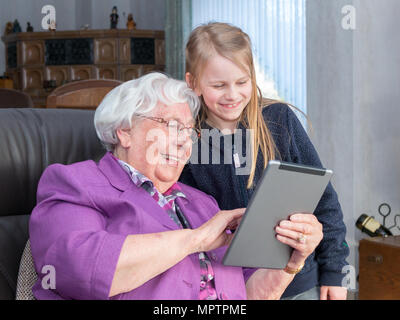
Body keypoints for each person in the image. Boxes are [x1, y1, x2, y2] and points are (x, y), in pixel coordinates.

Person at [29, 72, 323, 300]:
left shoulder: (201, 203)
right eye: (170, 125)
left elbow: (247, 294)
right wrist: (196, 239)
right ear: (124, 131)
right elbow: (78, 269)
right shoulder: (75, 184)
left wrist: (292, 259)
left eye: (188, 130)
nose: (185, 140)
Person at [180, 22, 350, 300]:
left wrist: (335, 270)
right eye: (219, 85)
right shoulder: (184, 137)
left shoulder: (280, 120)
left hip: (298, 280)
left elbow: (325, 202)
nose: (232, 95)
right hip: (224, 286)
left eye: (242, 82)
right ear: (193, 83)